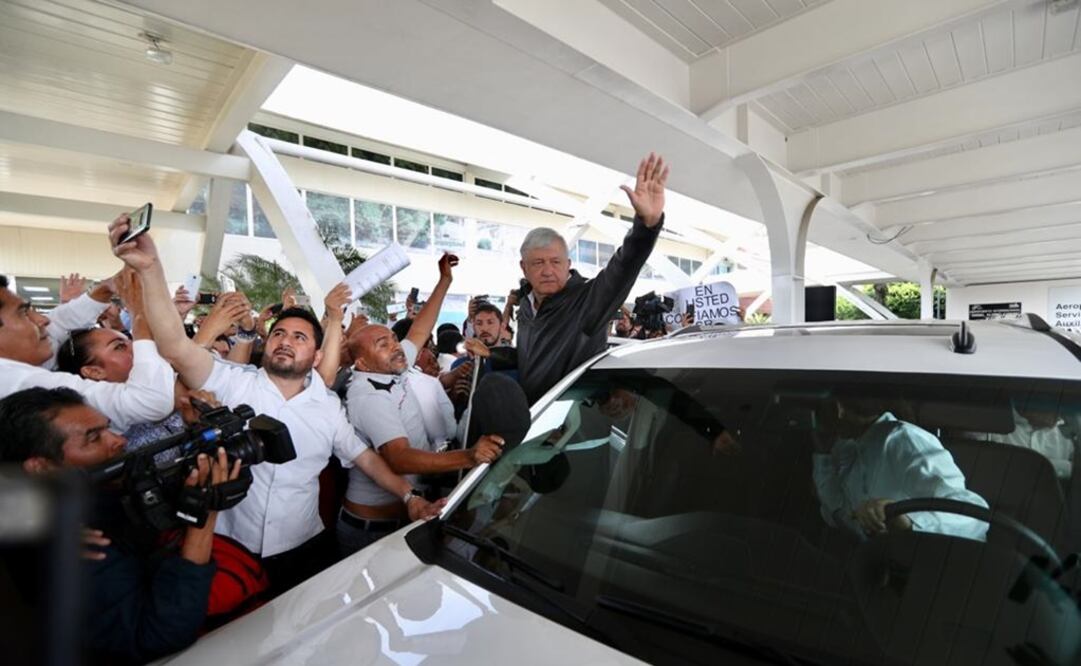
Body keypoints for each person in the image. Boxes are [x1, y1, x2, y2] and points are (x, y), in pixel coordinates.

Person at [108, 214, 440, 594]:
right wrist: (151, 270)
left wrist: (409, 497)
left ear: (316, 354)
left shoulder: (329, 407)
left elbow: (366, 459)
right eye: (279, 332)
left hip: (304, 549)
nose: (286, 339)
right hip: (227, 548)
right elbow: (175, 347)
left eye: (300, 336)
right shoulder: (231, 382)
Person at [0, 387, 238, 664]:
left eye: (108, 428)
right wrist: (202, 520)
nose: (120, 440)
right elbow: (159, 636)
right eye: (93, 438)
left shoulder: (79, 499)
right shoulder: (76, 545)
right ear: (42, 467)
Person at [340, 254, 503, 554]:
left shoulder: (389, 366)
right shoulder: (368, 396)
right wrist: (468, 456)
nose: (396, 347)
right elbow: (399, 458)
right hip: (372, 533)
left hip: (401, 518)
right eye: (383, 344)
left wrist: (444, 281)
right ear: (361, 363)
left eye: (392, 339)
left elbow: (419, 329)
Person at [516, 153, 669, 403]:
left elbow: (623, 267)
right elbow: (532, 361)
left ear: (568, 265)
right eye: (538, 263)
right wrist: (492, 356)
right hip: (531, 423)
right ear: (524, 268)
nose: (547, 271)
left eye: (555, 262)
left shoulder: (588, 300)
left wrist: (647, 225)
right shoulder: (525, 306)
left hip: (568, 427)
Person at [0, 274, 175, 432]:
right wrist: (140, 315)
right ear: (93, 371)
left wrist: (107, 288)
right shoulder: (14, 382)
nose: (43, 320)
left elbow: (61, 323)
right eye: (23, 313)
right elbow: (149, 402)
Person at [812, 395, 989, 541]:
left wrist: (909, 523)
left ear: (838, 409)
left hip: (929, 565)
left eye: (816, 413)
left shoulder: (903, 439)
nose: (817, 424)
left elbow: (973, 513)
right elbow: (840, 515)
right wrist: (823, 455)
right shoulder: (847, 448)